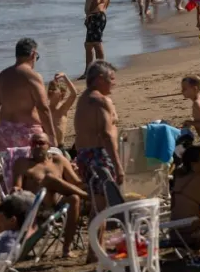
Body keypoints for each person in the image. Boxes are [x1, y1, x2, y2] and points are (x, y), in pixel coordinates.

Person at [72, 60, 122, 251]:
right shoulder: (100, 100)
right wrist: (118, 166)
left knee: (97, 206)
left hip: (84, 155)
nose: (114, 83)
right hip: (98, 156)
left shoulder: (84, 98)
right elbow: (106, 135)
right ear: (100, 79)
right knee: (101, 207)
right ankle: (94, 251)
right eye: (111, 79)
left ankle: (96, 249)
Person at [12, 132, 86, 257]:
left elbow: (76, 183)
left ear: (49, 145)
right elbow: (17, 187)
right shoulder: (23, 163)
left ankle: (66, 249)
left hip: (56, 208)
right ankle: (87, 196)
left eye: (40, 143)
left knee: (74, 198)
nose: (36, 146)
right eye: (33, 143)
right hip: (34, 209)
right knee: (49, 180)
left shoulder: (59, 161)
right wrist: (15, 190)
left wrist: (84, 172)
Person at [0, 38, 57, 150]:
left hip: (6, 132)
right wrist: (52, 136)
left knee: (13, 166)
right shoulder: (33, 76)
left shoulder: (2, 76)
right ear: (33, 54)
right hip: (28, 132)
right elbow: (43, 108)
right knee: (38, 164)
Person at [46, 73, 77, 152]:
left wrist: (64, 77)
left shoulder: (63, 108)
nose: (50, 90)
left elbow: (73, 94)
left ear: (62, 93)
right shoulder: (45, 109)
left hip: (60, 146)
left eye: (54, 89)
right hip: (47, 146)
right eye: (49, 88)